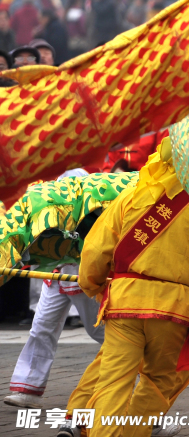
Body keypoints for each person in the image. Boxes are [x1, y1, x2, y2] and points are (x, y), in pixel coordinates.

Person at [78, 141, 189, 436]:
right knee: (158, 381)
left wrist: (91, 284)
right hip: (173, 309)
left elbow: (95, 251)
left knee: (113, 382)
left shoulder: (132, 194)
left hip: (124, 302)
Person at [4, 176, 103, 411]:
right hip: (55, 274)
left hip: (82, 273)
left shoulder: (81, 178)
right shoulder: (45, 184)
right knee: (41, 326)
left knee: (100, 331)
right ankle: (27, 389)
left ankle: (139, 372)